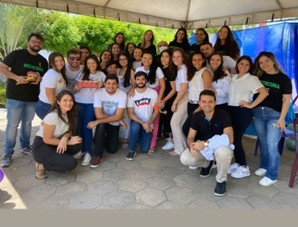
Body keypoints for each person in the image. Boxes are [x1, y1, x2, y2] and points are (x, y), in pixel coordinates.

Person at [0, 32, 48, 168]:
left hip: (33, 98)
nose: (36, 44)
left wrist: (39, 78)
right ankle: (8, 153)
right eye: (34, 41)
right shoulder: (17, 54)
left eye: (39, 42)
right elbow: (2, 67)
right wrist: (16, 77)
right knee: (12, 125)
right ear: (28, 42)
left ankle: (25, 147)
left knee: (27, 123)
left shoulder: (42, 61)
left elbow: (44, 78)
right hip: (15, 97)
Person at [180, 89, 234, 196]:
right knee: (185, 158)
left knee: (223, 152)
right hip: (204, 148)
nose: (207, 105)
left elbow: (229, 138)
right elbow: (190, 136)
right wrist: (191, 146)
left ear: (215, 102)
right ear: (199, 103)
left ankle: (221, 180)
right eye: (203, 101)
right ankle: (208, 164)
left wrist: (205, 143)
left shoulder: (223, 114)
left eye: (210, 101)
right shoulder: (196, 116)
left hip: (219, 147)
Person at [252, 51, 292, 186]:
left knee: (271, 145)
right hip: (258, 113)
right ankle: (264, 166)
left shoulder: (284, 79)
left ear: (273, 61)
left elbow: (286, 100)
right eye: (261, 62)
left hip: (274, 115)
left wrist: (282, 119)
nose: (264, 65)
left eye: (267, 61)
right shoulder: (258, 76)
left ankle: (272, 174)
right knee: (262, 142)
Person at [227, 55, 268, 179]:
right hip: (231, 110)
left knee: (236, 138)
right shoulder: (234, 78)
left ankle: (244, 167)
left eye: (247, 65)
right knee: (232, 138)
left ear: (250, 67)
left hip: (242, 111)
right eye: (241, 64)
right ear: (237, 64)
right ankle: (238, 163)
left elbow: (264, 92)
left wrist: (251, 105)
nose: (243, 66)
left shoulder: (252, 78)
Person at [32, 90, 82, 179]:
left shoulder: (69, 114)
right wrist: (68, 142)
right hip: (42, 146)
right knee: (71, 163)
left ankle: (57, 158)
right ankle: (42, 165)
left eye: (71, 100)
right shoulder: (52, 116)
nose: (69, 103)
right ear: (58, 102)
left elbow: (69, 130)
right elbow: (46, 139)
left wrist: (65, 139)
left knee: (78, 143)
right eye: (65, 100)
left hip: (55, 143)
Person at [87, 75, 127, 168]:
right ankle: (98, 155)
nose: (111, 86)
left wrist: (118, 118)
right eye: (108, 83)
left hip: (114, 124)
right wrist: (118, 118)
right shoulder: (98, 93)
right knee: (101, 125)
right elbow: (98, 115)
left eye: (114, 84)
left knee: (112, 150)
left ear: (117, 85)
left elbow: (118, 115)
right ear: (104, 84)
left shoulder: (122, 95)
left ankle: (99, 139)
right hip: (103, 123)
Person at [73, 54, 106, 166]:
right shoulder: (82, 74)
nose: (91, 65)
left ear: (97, 63)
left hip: (92, 104)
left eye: (93, 62)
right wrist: (77, 88)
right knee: (80, 127)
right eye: (88, 63)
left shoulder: (101, 74)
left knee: (88, 126)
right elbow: (75, 89)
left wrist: (103, 85)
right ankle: (82, 149)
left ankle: (89, 152)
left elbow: (109, 86)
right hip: (79, 103)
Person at [135, 51, 166, 154]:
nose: (147, 60)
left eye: (149, 58)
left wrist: (159, 99)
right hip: (143, 96)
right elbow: (136, 83)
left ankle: (152, 145)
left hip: (155, 94)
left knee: (155, 119)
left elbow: (163, 85)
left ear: (152, 60)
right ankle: (142, 139)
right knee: (144, 117)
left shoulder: (157, 69)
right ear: (141, 59)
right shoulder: (138, 69)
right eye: (144, 58)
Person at [126, 71, 159, 160]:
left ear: (146, 81)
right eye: (138, 79)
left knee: (144, 150)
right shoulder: (131, 94)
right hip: (136, 121)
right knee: (136, 127)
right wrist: (142, 123)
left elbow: (156, 110)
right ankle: (132, 150)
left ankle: (139, 137)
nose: (140, 81)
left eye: (142, 79)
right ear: (135, 81)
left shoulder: (153, 93)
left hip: (148, 123)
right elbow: (130, 113)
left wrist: (149, 122)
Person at [35, 52, 68, 120]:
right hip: (47, 106)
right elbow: (49, 94)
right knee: (51, 129)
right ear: (51, 63)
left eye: (61, 60)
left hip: (52, 105)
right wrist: (56, 109)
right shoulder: (51, 74)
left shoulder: (58, 73)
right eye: (56, 61)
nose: (59, 62)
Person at [169, 48, 189, 156]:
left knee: (174, 123)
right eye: (174, 57)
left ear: (183, 57)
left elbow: (183, 89)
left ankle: (181, 149)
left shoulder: (183, 70)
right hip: (181, 96)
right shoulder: (180, 69)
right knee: (179, 124)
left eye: (178, 56)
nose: (175, 59)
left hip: (184, 97)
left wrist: (174, 102)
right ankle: (182, 148)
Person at [159, 49, 177, 151]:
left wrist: (164, 100)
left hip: (170, 98)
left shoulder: (171, 71)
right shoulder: (161, 69)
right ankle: (168, 138)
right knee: (165, 118)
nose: (164, 59)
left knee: (169, 118)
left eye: (166, 56)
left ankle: (171, 141)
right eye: (162, 56)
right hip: (163, 98)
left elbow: (174, 89)